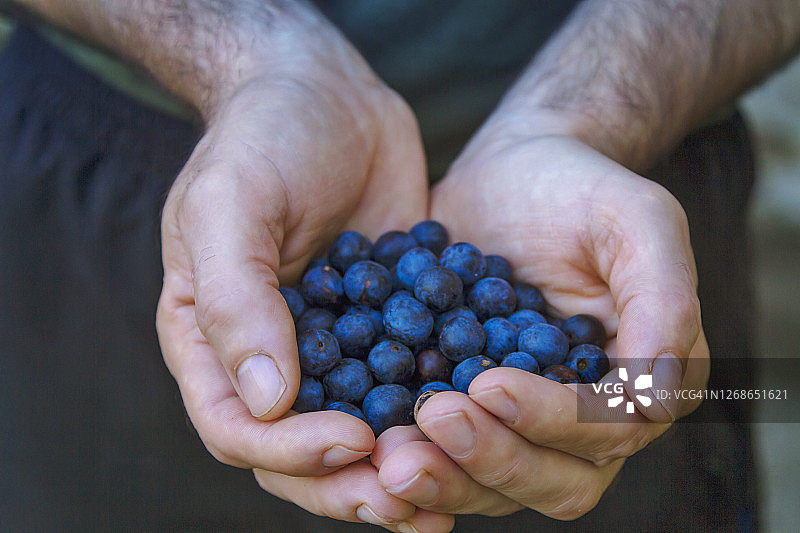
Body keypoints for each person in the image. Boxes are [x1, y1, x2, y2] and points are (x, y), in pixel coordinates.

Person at [0, 0, 797, 531]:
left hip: (619, 176)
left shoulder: (543, 303)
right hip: (147, 179)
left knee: (633, 405)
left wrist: (587, 114)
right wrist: (253, 58)